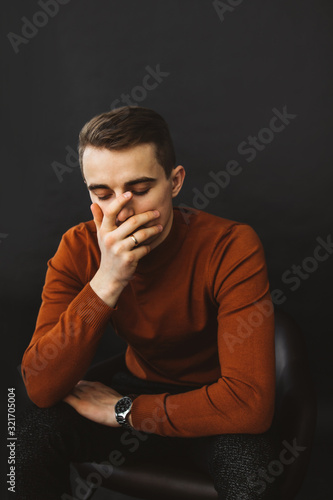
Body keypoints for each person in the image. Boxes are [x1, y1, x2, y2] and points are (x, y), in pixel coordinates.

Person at [17, 106, 280, 499]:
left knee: (252, 479)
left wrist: (127, 410)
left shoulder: (231, 245)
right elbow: (39, 385)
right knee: (26, 436)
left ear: (175, 182)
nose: (120, 211)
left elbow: (249, 403)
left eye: (139, 191)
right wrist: (107, 281)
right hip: (138, 380)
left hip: (214, 405)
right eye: (101, 194)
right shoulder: (78, 247)